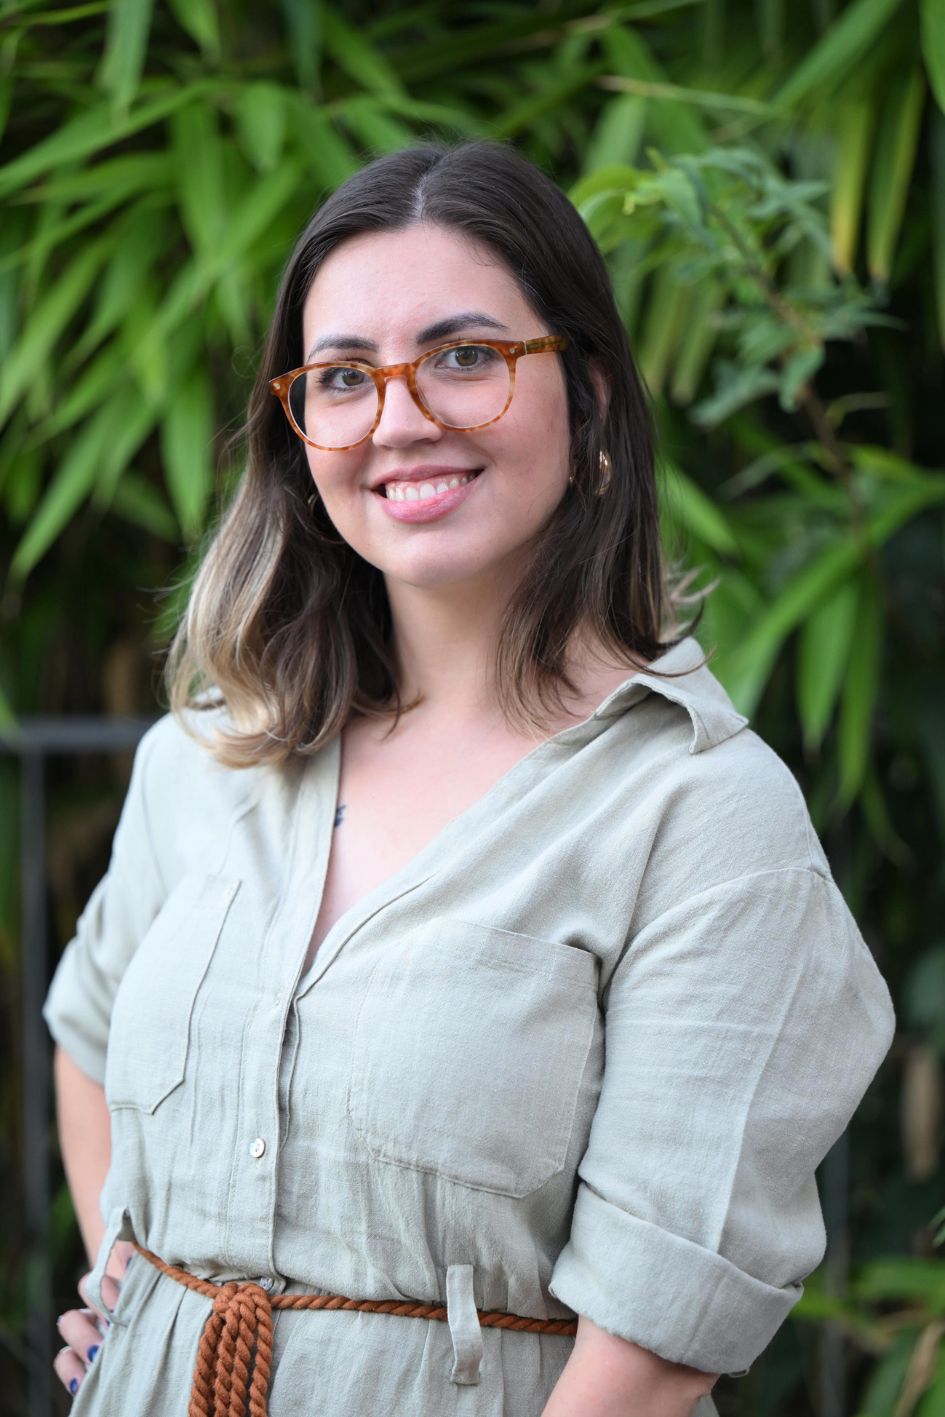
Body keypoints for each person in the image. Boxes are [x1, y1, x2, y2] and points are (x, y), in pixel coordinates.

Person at [45, 139, 896, 1417]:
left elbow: (655, 1350)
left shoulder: (701, 814)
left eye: (464, 356)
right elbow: (89, 1032)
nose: (399, 419)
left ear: (588, 396)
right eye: (344, 377)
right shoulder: (210, 754)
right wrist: (140, 1289)